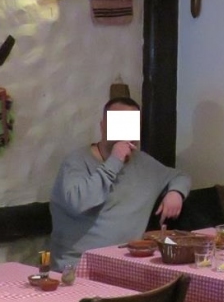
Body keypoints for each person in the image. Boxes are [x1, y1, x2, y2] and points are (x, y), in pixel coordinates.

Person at [49, 96, 190, 272]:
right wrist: (114, 161)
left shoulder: (144, 164)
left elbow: (180, 176)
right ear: (103, 127)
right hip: (77, 266)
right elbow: (78, 203)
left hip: (126, 264)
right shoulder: (76, 162)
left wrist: (176, 193)